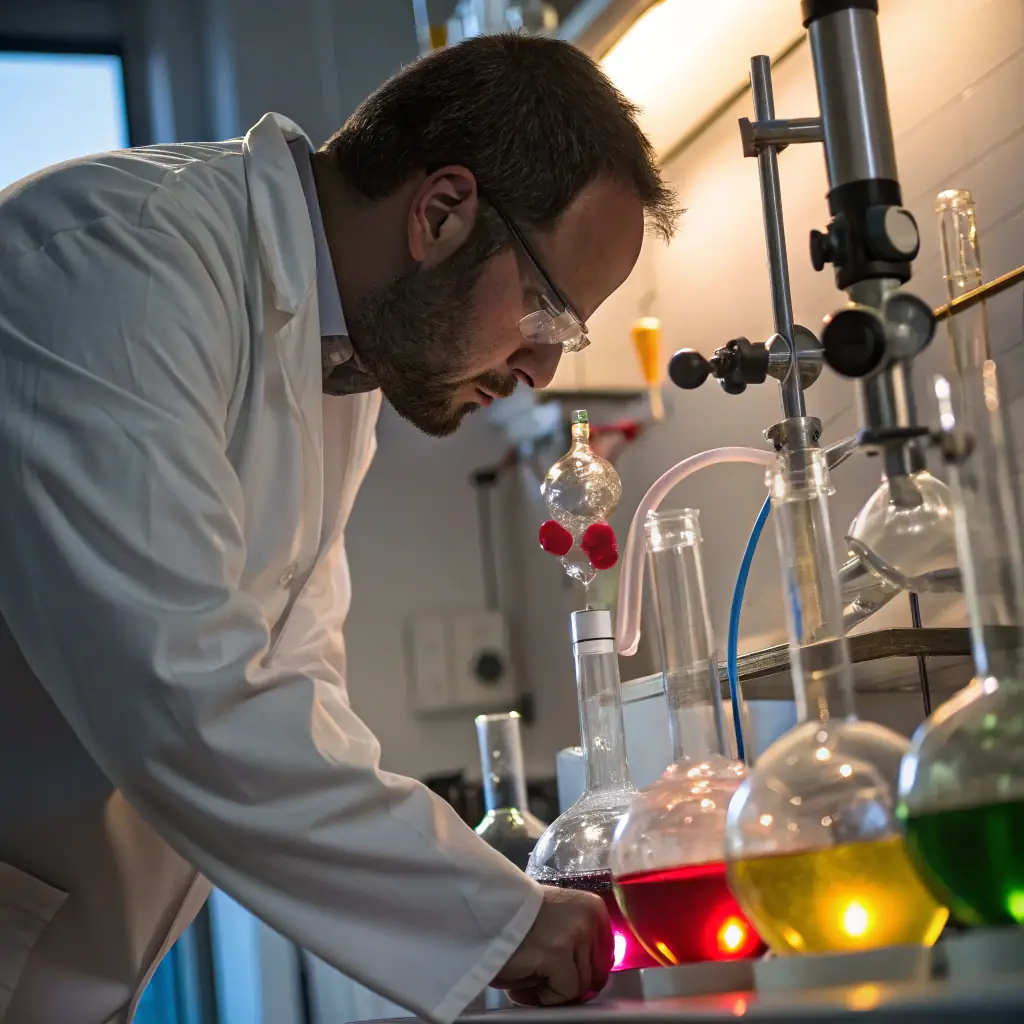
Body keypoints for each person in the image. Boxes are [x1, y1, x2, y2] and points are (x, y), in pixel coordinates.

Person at [0, 32, 678, 1024]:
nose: (540, 370)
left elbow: (298, 683)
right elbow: (183, 690)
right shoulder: (113, 262)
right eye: (545, 310)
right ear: (442, 212)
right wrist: (499, 917)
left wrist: (495, 912)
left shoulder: (337, 351)